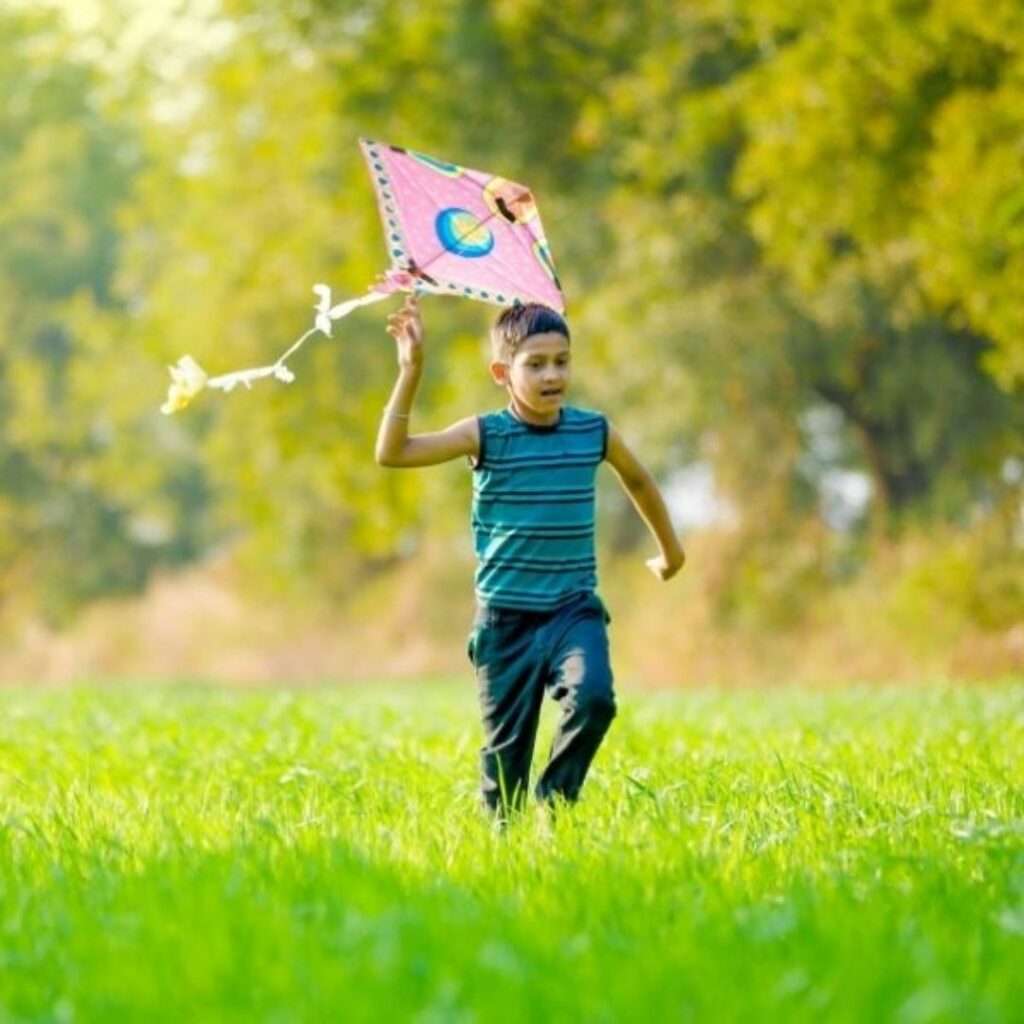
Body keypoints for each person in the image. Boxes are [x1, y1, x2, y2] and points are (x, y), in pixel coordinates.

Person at [375, 295, 685, 819]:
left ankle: (557, 802)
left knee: (595, 700)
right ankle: (508, 850)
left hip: (573, 610)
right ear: (502, 371)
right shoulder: (486, 435)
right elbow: (394, 452)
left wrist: (671, 552)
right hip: (505, 621)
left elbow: (638, 479)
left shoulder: (593, 431)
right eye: (535, 364)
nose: (552, 374)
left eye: (561, 361)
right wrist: (411, 371)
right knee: (505, 774)